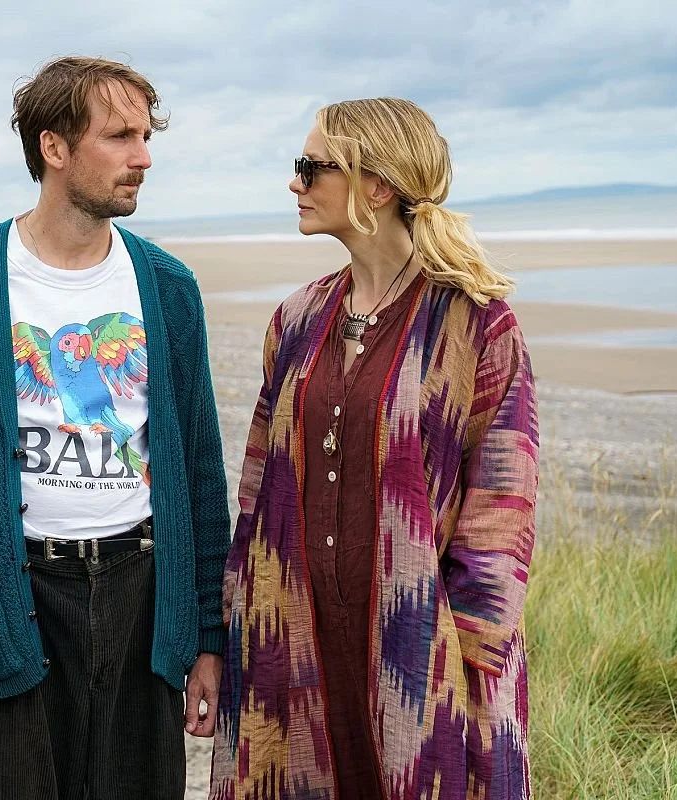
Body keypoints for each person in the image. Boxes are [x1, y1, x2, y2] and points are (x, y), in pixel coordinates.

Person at [0, 56, 230, 800]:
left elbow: (200, 473)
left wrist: (207, 636)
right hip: (12, 600)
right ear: (54, 148)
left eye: (146, 136)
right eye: (119, 136)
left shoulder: (167, 288)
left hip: (143, 601)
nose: (143, 158)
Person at [211, 98, 538, 800]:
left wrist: (463, 667)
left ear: (377, 186)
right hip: (298, 641)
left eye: (311, 167)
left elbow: (499, 518)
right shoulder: (297, 319)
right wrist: (240, 617)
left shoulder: (475, 324)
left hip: (420, 650)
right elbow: (259, 485)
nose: (294, 183)